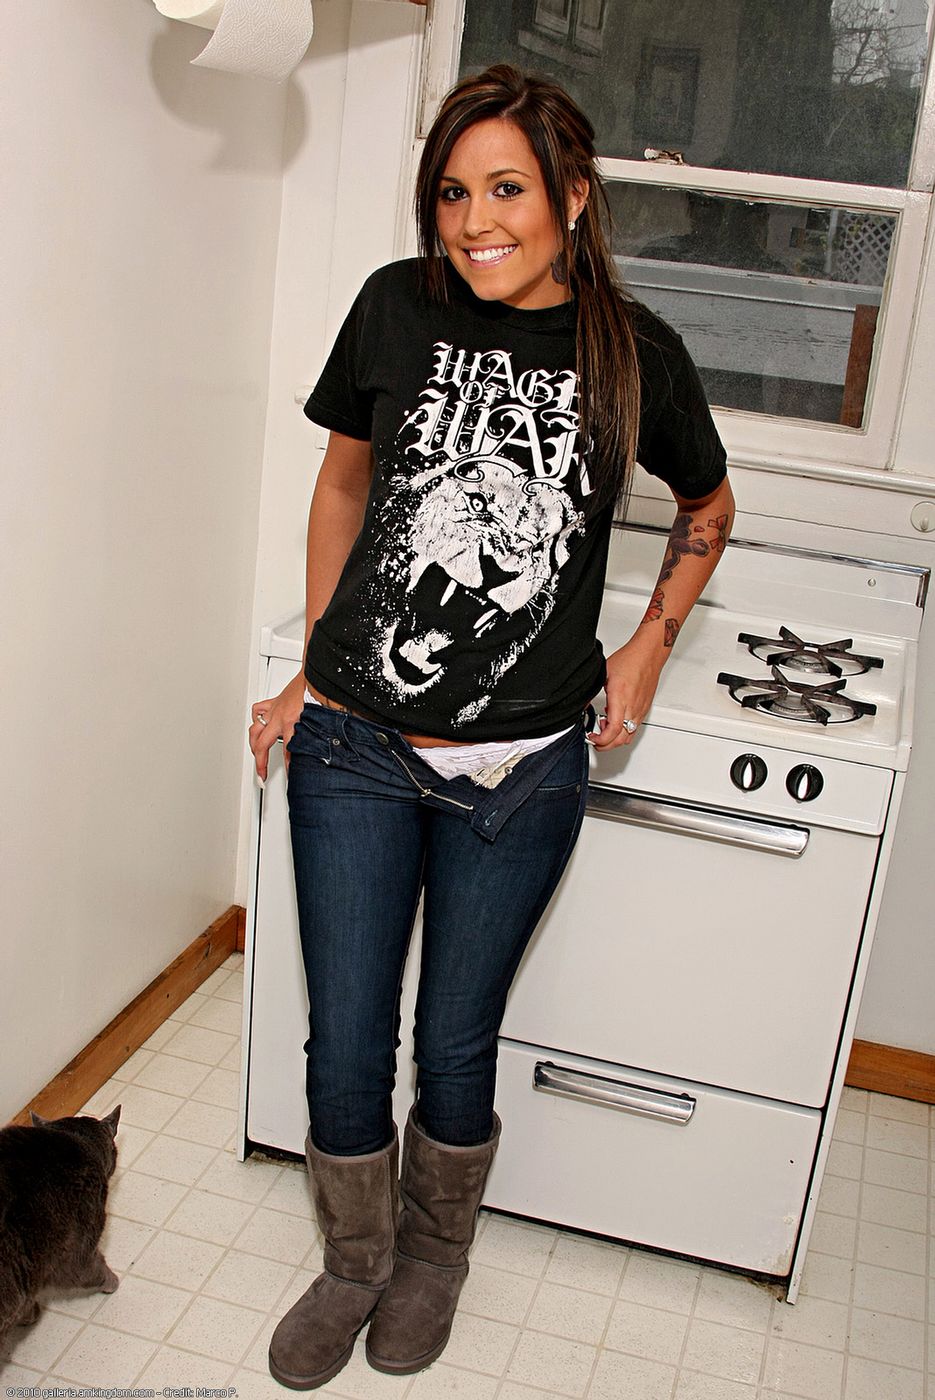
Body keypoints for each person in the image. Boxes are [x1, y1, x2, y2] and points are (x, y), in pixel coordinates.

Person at [249, 64, 734, 1392]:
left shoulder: (634, 354)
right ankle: (354, 1263)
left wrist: (647, 642)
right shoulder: (394, 307)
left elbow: (708, 506)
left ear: (572, 197)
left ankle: (433, 1261)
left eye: (507, 189)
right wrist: (313, 664)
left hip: (519, 772)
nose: (475, 222)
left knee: (455, 1040)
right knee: (347, 1036)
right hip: (354, 748)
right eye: (452, 193)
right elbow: (342, 486)